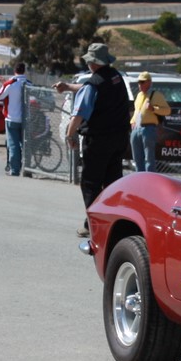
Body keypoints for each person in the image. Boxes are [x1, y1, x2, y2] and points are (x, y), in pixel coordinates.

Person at [60, 42, 130, 236]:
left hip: (99, 140)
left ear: (93, 62)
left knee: (90, 183)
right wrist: (68, 87)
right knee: (112, 183)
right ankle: (114, 224)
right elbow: (89, 88)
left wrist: (70, 134)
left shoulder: (94, 84)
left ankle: (94, 225)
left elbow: (79, 114)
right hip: (119, 139)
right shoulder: (115, 77)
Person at [129, 71, 172, 172]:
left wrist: (153, 109)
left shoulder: (156, 95)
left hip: (148, 128)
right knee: (137, 158)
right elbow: (137, 111)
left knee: (149, 158)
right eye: (139, 82)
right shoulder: (139, 95)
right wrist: (132, 122)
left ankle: (149, 178)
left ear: (149, 82)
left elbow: (167, 110)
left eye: (142, 82)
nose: (140, 84)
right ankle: (139, 178)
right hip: (136, 128)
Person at [0, 62, 28, 176]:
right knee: (25, 144)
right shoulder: (28, 83)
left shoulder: (10, 84)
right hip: (26, 120)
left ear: (14, 71)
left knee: (13, 145)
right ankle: (28, 168)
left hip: (12, 119)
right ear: (24, 71)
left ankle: (15, 170)